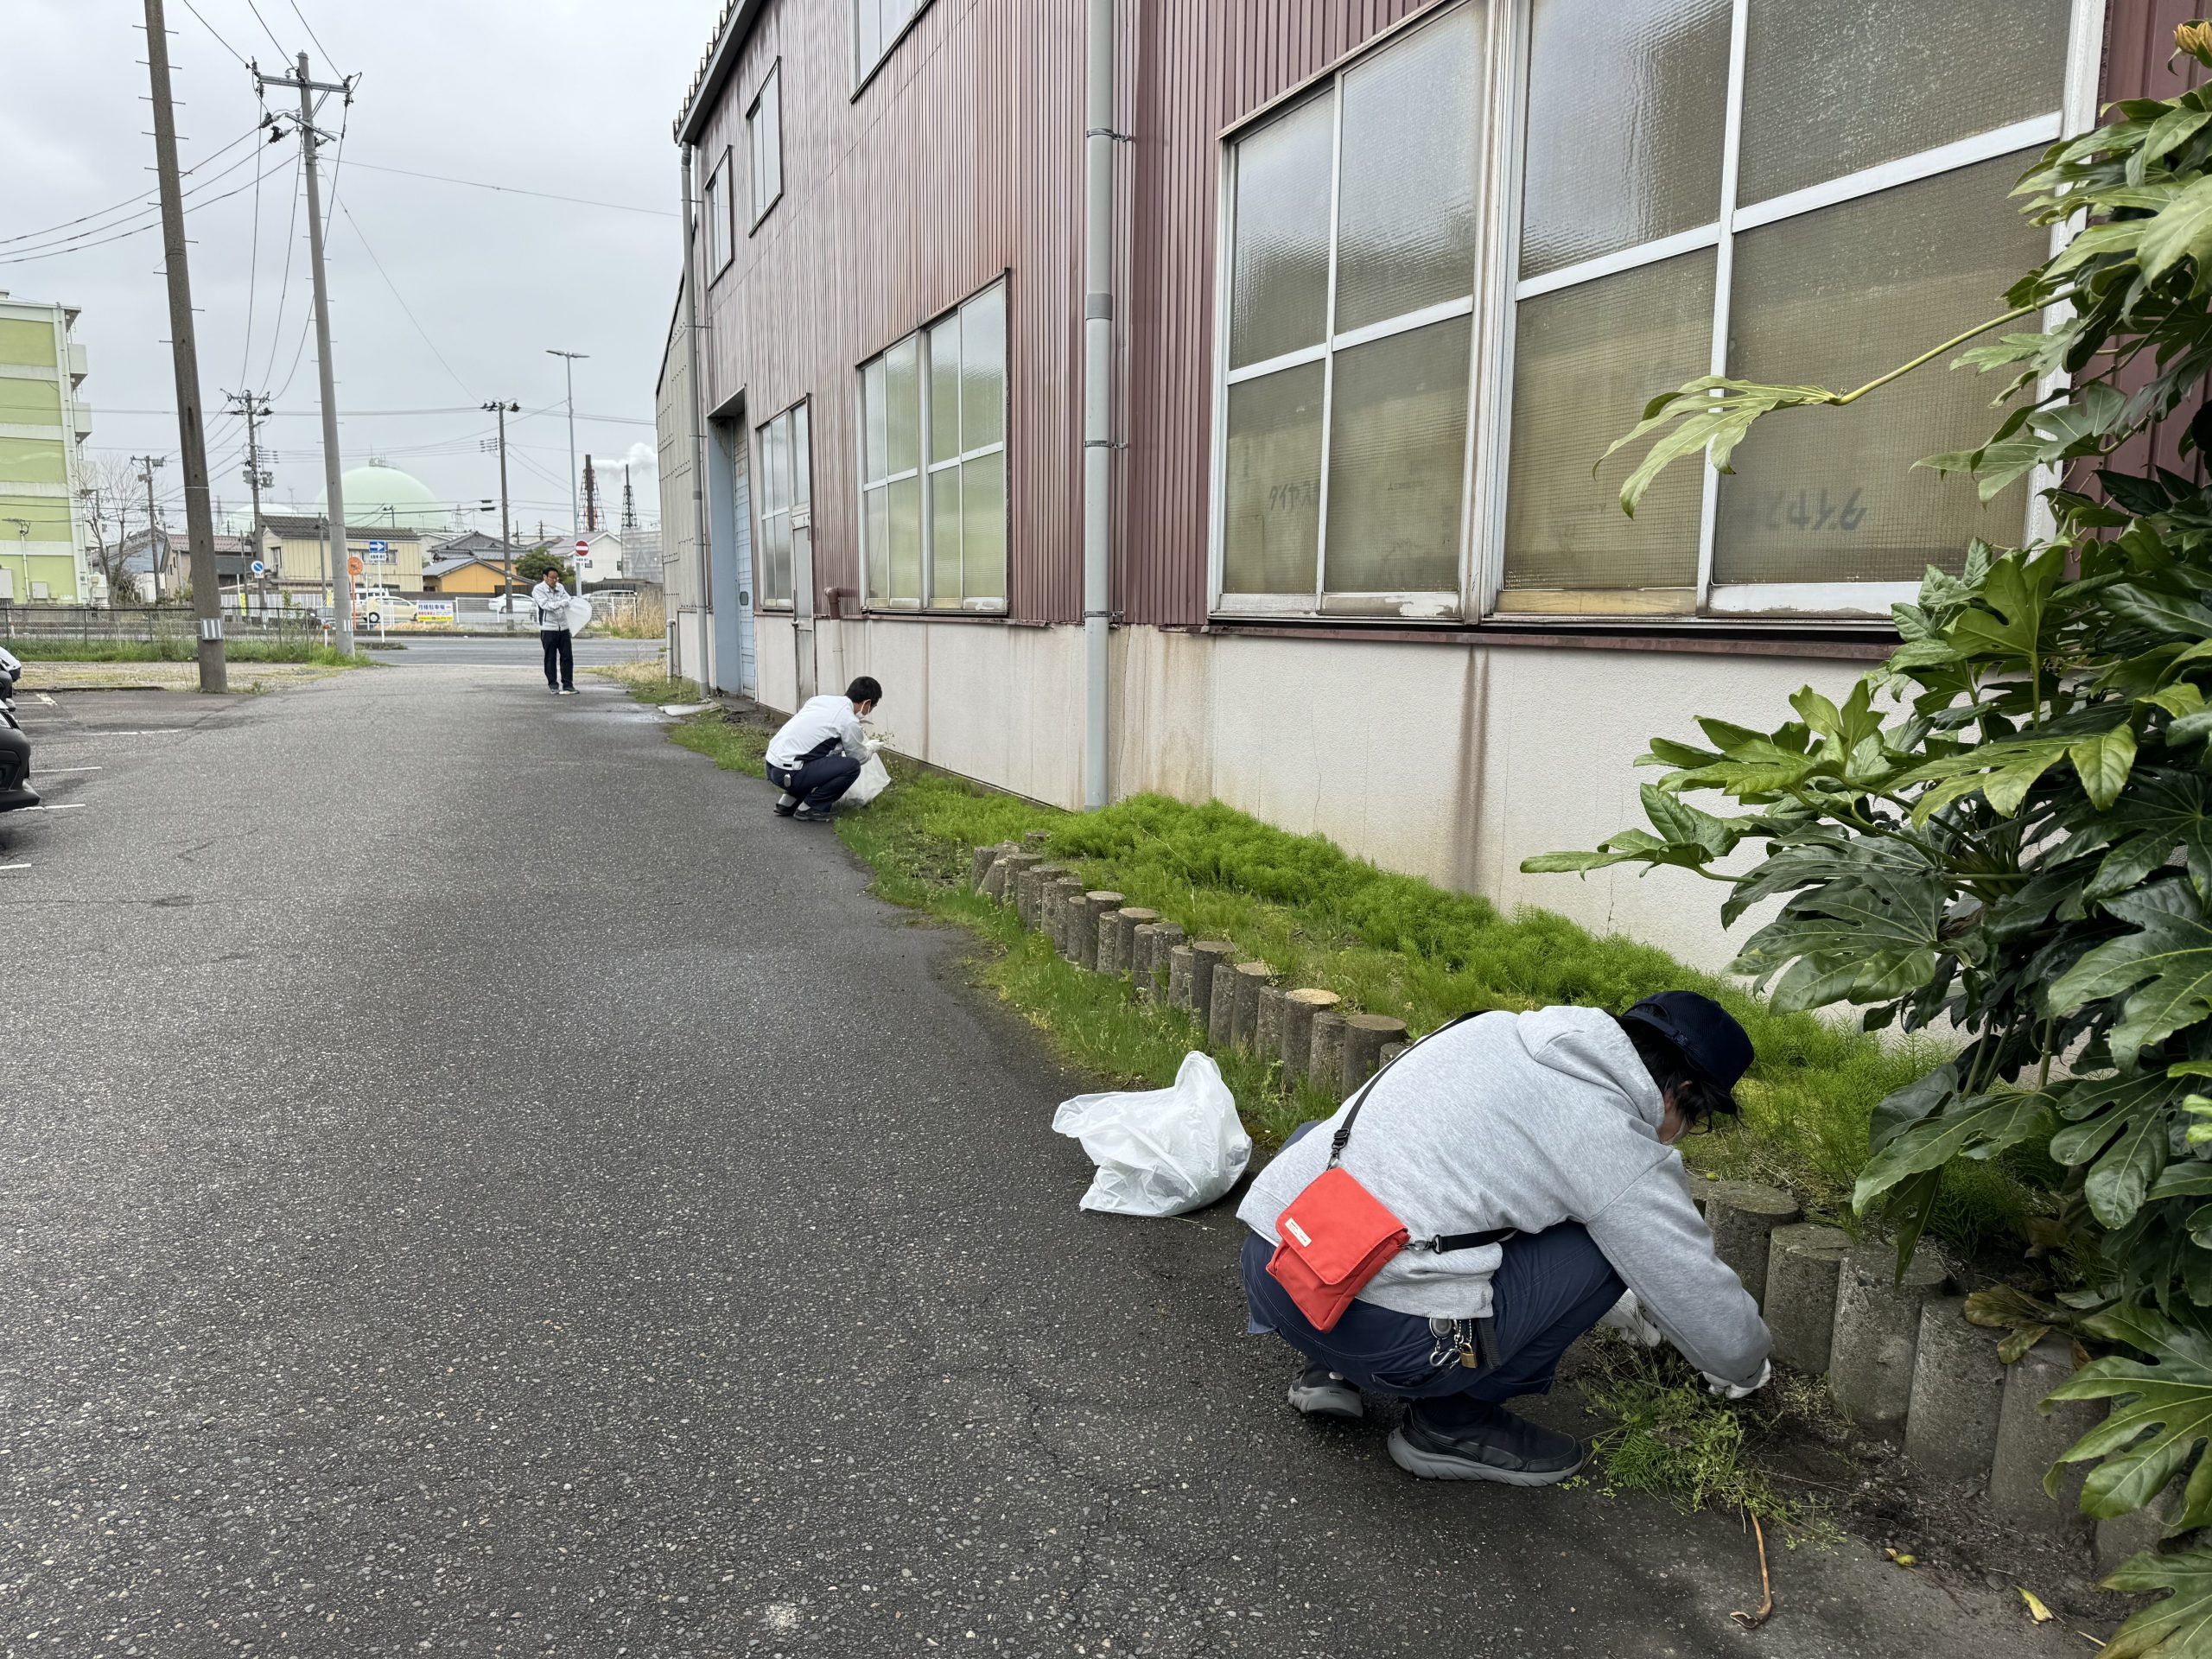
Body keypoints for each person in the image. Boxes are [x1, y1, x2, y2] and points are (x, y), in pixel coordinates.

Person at [1237, 990, 1770, 1486]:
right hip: (1385, 1341)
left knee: (1331, 1142)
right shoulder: (1611, 1133)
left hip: (1275, 1266)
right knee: (1607, 1247)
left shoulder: (1486, 1027)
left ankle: (1329, 1370)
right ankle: (1451, 1424)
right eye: (1694, 1121)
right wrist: (1745, 1365)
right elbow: (1685, 1279)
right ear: (1682, 1095)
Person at [764, 677, 882, 823]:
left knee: (813, 760)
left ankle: (788, 803)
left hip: (771, 765)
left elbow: (812, 738)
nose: (869, 711)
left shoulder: (820, 700)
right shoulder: (848, 720)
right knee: (851, 766)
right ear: (867, 703)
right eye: (872, 707)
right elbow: (858, 757)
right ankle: (811, 807)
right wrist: (871, 748)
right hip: (788, 774)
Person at [531, 568, 576, 696]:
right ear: (545, 577)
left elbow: (569, 600)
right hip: (548, 628)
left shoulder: (560, 587)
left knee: (567, 656)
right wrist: (561, 603)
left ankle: (568, 685)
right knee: (550, 658)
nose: (554, 581)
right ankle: (553, 685)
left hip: (563, 626)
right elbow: (546, 605)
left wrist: (561, 603)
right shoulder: (538, 589)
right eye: (552, 578)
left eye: (556, 578)